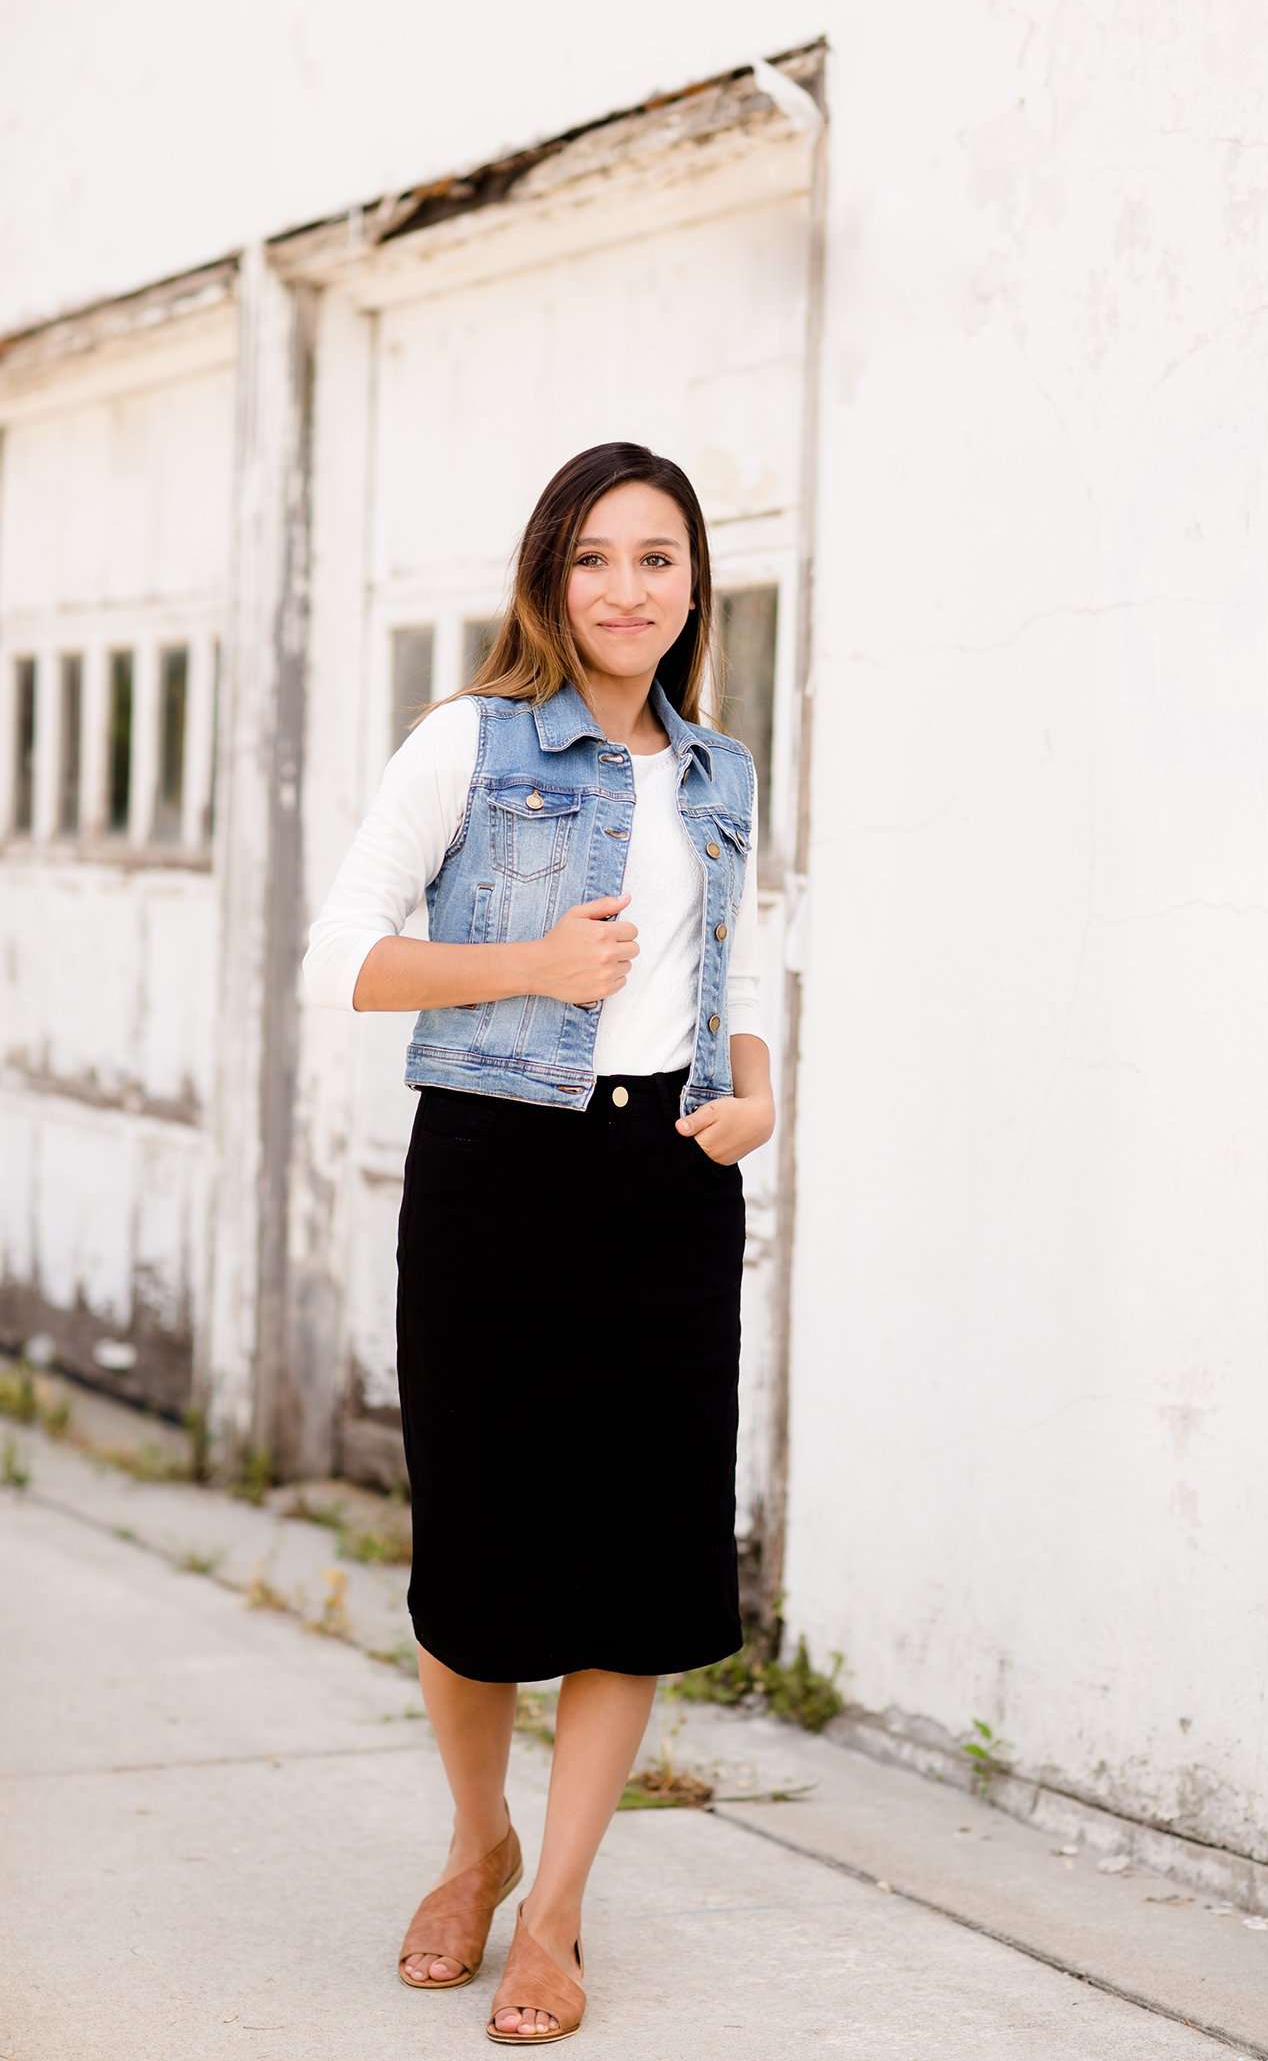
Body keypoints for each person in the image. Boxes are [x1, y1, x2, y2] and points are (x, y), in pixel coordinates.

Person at [301, 441, 775, 2043]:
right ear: (548, 578)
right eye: (593, 558)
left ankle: (555, 1912)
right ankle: (476, 1842)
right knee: (481, 1561)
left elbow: (740, 974)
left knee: (636, 1568)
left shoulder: (720, 772)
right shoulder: (473, 741)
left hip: (668, 1185)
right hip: (497, 1171)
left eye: (656, 558)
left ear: (694, 582)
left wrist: (757, 1099)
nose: (625, 590)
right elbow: (345, 962)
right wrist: (527, 963)